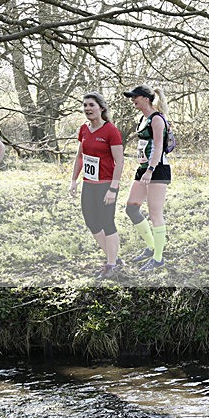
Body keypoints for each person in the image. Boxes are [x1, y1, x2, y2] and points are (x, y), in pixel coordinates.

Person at [68, 93, 124, 279]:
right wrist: (73, 180)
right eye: (84, 105)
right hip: (88, 185)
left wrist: (113, 188)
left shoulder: (111, 131)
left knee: (107, 222)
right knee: (91, 223)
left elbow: (120, 161)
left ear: (101, 108)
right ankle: (113, 258)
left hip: (106, 184)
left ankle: (111, 264)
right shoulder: (84, 129)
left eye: (91, 105)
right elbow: (80, 157)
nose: (87, 108)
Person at [123, 85, 172, 271]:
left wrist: (150, 169)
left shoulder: (157, 119)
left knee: (155, 214)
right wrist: (145, 168)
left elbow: (158, 147)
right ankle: (152, 247)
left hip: (157, 170)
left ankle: (158, 258)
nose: (132, 99)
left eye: (135, 96)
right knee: (131, 208)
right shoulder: (143, 119)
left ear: (146, 98)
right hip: (143, 168)